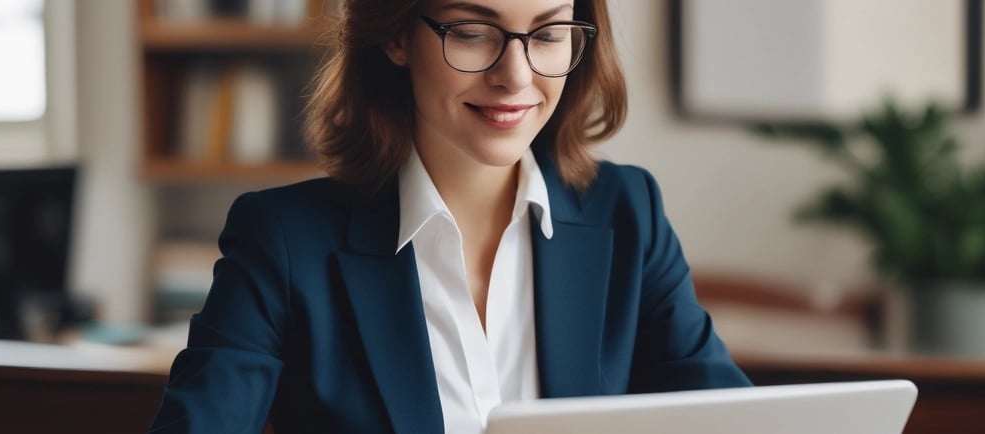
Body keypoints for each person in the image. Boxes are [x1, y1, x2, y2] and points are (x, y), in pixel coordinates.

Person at [148, 0, 751, 432]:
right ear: (396, 36)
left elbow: (733, 420)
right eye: (471, 31)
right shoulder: (284, 240)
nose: (515, 77)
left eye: (546, 34)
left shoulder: (628, 214)